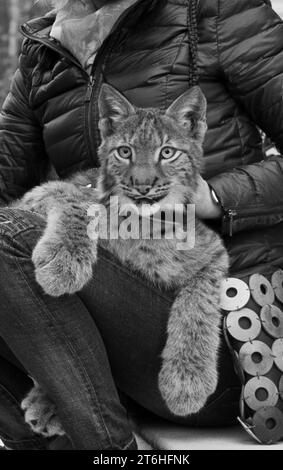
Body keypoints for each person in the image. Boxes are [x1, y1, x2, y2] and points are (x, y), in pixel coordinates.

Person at [0, 0, 282, 450]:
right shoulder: (46, 49)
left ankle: (111, 451)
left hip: (234, 334)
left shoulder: (216, 10)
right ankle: (40, 440)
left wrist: (213, 197)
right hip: (108, 337)